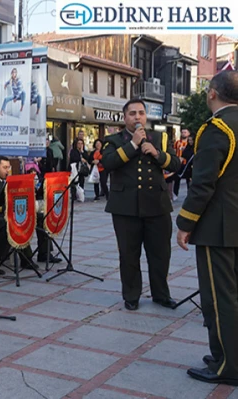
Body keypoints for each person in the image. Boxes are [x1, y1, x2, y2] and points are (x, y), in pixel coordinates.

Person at [176, 71, 238, 386]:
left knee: (221, 298)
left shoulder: (217, 129)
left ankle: (227, 365)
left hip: (220, 228)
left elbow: (202, 185)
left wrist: (185, 223)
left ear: (212, 92)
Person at [102, 98, 181, 311]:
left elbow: (176, 164)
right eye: (132, 113)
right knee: (129, 254)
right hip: (125, 208)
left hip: (157, 205)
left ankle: (161, 294)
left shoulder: (160, 138)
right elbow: (108, 163)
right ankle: (131, 295)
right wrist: (133, 144)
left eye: (141, 113)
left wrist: (157, 154)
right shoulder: (113, 140)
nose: (138, 117)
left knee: (160, 253)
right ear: (124, 117)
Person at [172, 128, 191, 200]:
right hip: (179, 164)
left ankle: (189, 195)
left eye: (185, 132)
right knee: (177, 179)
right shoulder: (177, 143)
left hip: (187, 164)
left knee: (188, 180)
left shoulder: (189, 143)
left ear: (188, 134)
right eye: (182, 132)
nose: (183, 134)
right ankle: (175, 194)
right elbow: (174, 151)